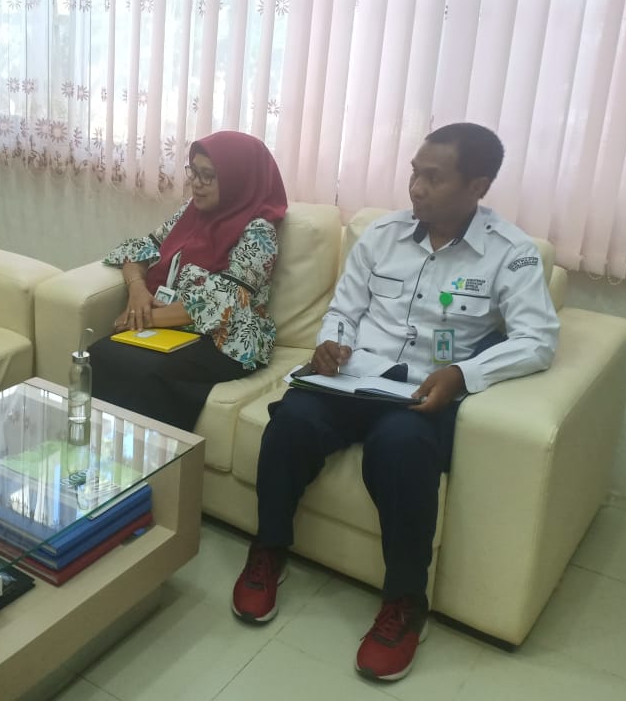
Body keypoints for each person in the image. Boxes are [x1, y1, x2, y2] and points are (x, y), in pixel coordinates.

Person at [230, 122, 560, 682]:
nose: (416, 187)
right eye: (414, 172)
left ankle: (406, 603)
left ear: (478, 186)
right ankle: (269, 550)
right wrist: (331, 343)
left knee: (401, 449)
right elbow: (345, 309)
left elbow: (538, 339)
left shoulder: (510, 254)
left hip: (422, 394)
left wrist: (463, 373)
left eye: (433, 177)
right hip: (355, 379)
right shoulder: (382, 235)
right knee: (291, 422)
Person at [88, 131, 288, 432]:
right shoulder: (190, 211)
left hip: (222, 340)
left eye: (208, 176)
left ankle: (155, 456)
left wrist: (142, 319)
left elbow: (223, 303)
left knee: (151, 373)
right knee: (100, 355)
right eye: (193, 171)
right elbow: (140, 250)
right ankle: (98, 450)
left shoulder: (259, 231)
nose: (196, 182)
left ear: (237, 179)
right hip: (169, 327)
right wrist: (137, 290)